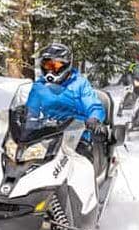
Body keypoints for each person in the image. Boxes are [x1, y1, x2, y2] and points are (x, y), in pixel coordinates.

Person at [26, 43, 107, 171]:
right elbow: (31, 110)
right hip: (48, 134)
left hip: (77, 134)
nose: (50, 70)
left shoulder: (79, 83)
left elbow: (93, 105)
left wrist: (94, 119)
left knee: (80, 166)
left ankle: (84, 189)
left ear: (66, 65)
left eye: (55, 66)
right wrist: (23, 120)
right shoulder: (39, 86)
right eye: (47, 65)